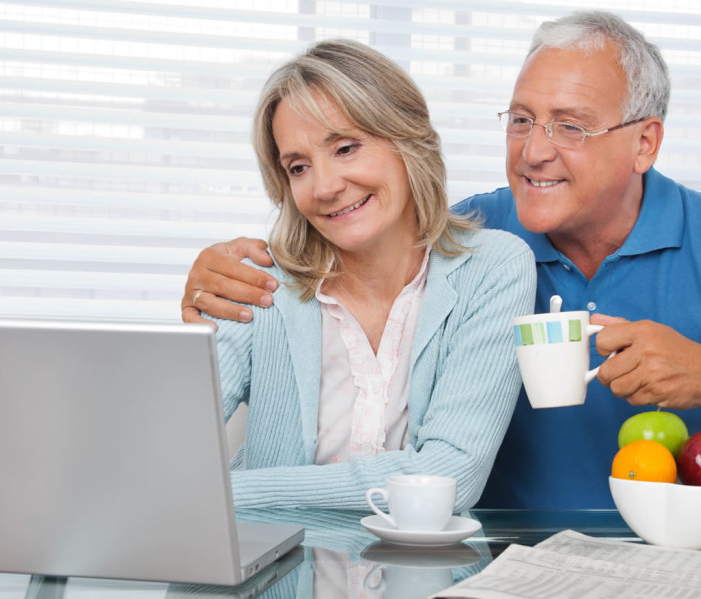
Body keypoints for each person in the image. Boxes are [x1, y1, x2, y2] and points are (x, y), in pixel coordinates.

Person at [181, 13, 701, 513]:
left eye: (570, 126)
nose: (533, 152)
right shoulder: (473, 241)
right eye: (521, 120)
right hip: (496, 568)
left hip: (672, 566)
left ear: (644, 143)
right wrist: (216, 277)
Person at [204, 39, 535, 511]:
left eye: (346, 148)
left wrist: (224, 495)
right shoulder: (258, 281)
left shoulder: (492, 269)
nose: (324, 187)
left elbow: (450, 478)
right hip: (277, 579)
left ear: (407, 140)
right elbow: (162, 450)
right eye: (298, 167)